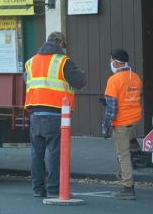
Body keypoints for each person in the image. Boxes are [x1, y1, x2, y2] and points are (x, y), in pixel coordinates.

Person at [24, 31, 86, 198]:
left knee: (37, 153)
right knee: (55, 152)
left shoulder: (30, 62)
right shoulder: (63, 62)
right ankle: (53, 189)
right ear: (60, 43)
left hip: (35, 113)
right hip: (55, 113)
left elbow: (27, 81)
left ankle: (38, 188)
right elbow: (80, 81)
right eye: (64, 45)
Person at [101, 48, 143, 200]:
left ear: (116, 62)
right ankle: (137, 154)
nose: (111, 63)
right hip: (134, 120)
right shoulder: (135, 77)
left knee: (123, 155)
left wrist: (105, 128)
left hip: (121, 123)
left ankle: (128, 187)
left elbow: (112, 109)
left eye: (112, 60)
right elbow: (136, 95)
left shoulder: (114, 80)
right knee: (130, 147)